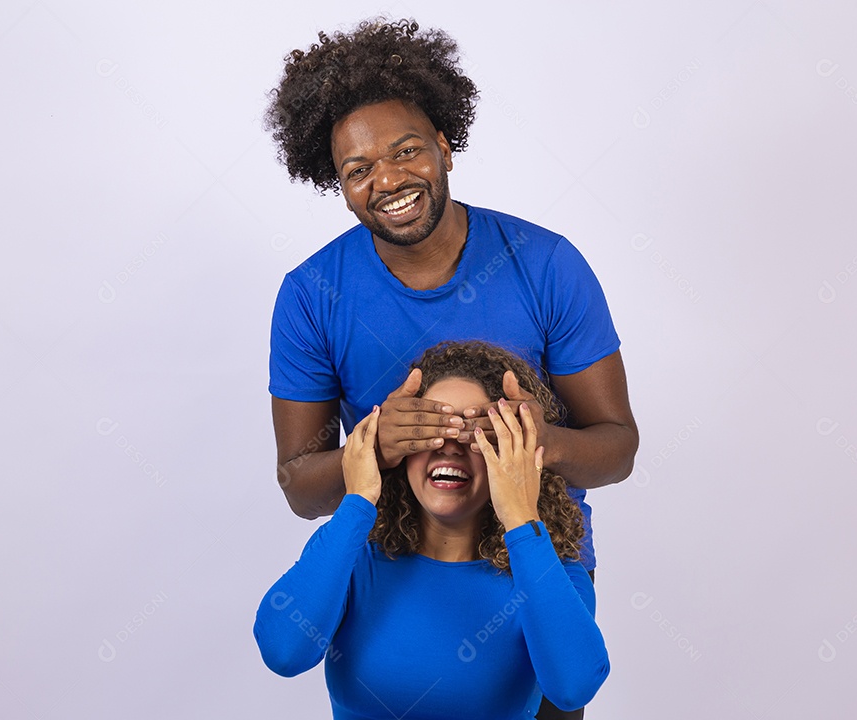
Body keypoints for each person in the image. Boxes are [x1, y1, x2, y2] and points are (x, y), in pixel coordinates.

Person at [266, 19, 638, 718]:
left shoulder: (547, 265)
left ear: (444, 144)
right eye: (359, 169)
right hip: (397, 561)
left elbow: (615, 448)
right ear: (337, 184)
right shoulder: (313, 295)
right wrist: (371, 446)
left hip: (530, 560)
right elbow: (300, 486)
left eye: (407, 150)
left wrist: (530, 444)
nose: (389, 180)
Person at [255, 342, 610, 719]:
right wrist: (358, 498)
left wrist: (521, 514)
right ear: (402, 449)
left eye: (477, 434)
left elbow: (573, 687)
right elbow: (283, 652)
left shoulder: (550, 574)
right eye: (430, 429)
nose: (450, 447)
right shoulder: (353, 560)